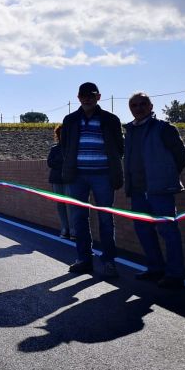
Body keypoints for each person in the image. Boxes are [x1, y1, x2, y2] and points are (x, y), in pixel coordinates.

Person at [125, 92, 185, 289]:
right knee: (144, 232)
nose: (139, 108)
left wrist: (167, 176)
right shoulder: (129, 131)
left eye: (143, 104)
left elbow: (182, 155)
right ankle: (155, 269)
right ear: (130, 109)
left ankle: (175, 275)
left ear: (151, 106)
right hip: (137, 192)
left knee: (169, 232)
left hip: (160, 191)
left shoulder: (164, 128)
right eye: (134, 105)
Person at [60, 82, 124, 278]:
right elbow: (65, 147)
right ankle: (84, 259)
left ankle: (109, 261)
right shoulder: (70, 120)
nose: (87, 98)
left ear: (98, 97)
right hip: (77, 176)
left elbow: (119, 147)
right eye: (83, 95)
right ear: (78, 97)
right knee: (79, 219)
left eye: (91, 94)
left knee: (106, 218)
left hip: (103, 175)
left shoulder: (110, 119)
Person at [47, 124, 75, 240]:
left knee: (70, 205)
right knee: (60, 205)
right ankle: (65, 229)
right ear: (58, 135)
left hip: (69, 180)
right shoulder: (54, 149)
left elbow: (72, 163)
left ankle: (74, 231)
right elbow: (50, 163)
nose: (63, 135)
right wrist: (62, 162)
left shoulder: (73, 148)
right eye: (61, 133)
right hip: (56, 180)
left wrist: (61, 163)